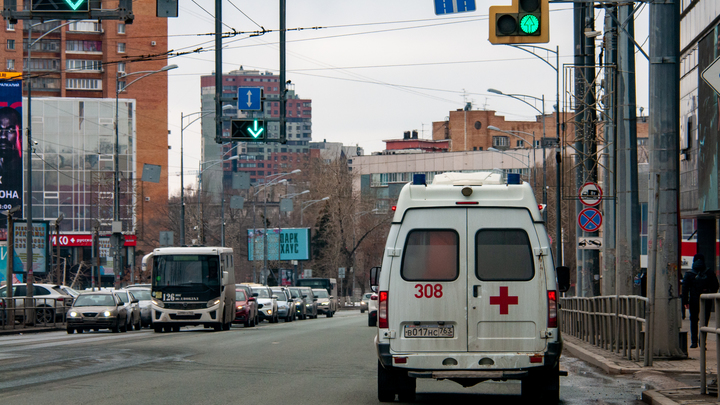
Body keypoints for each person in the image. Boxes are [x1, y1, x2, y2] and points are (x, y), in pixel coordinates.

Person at [682, 254, 720, 348]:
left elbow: (685, 289)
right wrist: (709, 293)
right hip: (706, 299)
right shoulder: (709, 272)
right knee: (705, 320)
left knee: (693, 320)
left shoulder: (689, 273)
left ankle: (694, 342)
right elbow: (716, 286)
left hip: (693, 299)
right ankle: (703, 342)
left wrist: (685, 302)